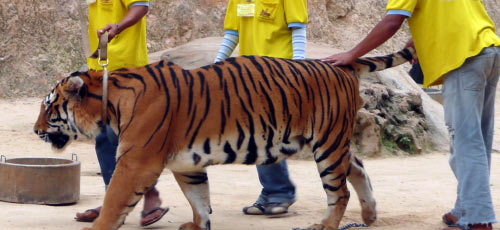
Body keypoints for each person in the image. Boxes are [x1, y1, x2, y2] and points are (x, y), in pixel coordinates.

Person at [322, 1, 500, 230]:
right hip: (489, 51)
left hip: (464, 58)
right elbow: (456, 16)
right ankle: (464, 209)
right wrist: (420, 39)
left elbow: (392, 22)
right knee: (478, 140)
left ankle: (477, 218)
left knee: (466, 142)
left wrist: (352, 54)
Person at [74, 0, 169, 227]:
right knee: (104, 137)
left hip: (129, 70)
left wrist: (119, 26)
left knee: (129, 139)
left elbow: (141, 6)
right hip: (100, 69)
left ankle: (150, 197)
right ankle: (113, 202)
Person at [214, 0, 308, 215]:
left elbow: (298, 29)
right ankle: (272, 193)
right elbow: (233, 33)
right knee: (259, 135)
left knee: (265, 134)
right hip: (249, 76)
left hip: (280, 73)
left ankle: (278, 192)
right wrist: (216, 64)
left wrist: (300, 69)